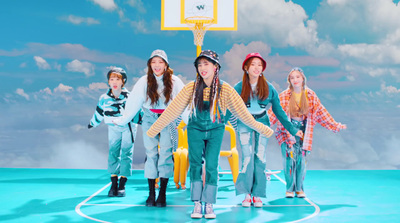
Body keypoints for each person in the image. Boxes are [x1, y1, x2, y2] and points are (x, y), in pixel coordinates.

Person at [146, 50, 274, 219]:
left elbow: (242, 113)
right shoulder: (190, 88)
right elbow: (173, 110)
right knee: (195, 165)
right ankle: (197, 204)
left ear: (215, 67)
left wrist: (261, 127)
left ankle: (209, 204)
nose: (202, 68)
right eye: (199, 64)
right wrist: (154, 129)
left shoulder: (225, 89)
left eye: (206, 64)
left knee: (212, 166)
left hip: (216, 129)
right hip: (195, 128)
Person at [113, 49, 186, 207]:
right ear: (149, 64)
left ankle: (162, 194)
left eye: (160, 62)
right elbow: (134, 101)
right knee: (151, 154)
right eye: (154, 62)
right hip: (149, 117)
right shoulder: (144, 81)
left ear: (166, 64)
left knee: (166, 154)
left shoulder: (175, 81)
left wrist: (189, 120)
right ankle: (151, 194)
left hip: (168, 117)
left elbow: (184, 102)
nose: (157, 65)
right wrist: (123, 119)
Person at [233, 53, 303, 208]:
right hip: (244, 122)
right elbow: (229, 108)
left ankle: (257, 195)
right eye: (253, 64)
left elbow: (279, 112)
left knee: (260, 157)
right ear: (246, 67)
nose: (256, 68)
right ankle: (246, 194)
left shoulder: (269, 88)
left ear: (262, 68)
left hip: (263, 122)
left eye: (259, 64)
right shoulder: (238, 87)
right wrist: (218, 124)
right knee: (246, 158)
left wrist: (292, 130)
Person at [268, 67, 347, 198]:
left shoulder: (310, 95)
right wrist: (260, 126)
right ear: (289, 80)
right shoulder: (283, 96)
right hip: (287, 130)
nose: (295, 80)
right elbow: (274, 113)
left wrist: (335, 125)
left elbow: (321, 113)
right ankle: (289, 189)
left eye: (297, 77)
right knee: (288, 160)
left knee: (301, 161)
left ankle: (299, 189)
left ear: (303, 78)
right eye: (292, 78)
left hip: (304, 130)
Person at [88, 67, 139, 197]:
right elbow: (99, 112)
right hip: (113, 128)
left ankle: (122, 183)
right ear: (108, 82)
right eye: (112, 79)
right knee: (113, 153)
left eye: (118, 79)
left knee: (126, 153)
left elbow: (138, 112)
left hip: (128, 127)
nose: (114, 82)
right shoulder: (104, 98)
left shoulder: (130, 97)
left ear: (123, 81)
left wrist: (149, 123)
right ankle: (114, 183)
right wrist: (93, 123)